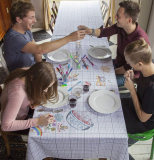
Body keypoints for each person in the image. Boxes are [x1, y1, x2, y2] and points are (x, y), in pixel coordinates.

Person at [78, 1, 149, 87]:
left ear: (129, 20)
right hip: (117, 63)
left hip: (129, 74)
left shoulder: (139, 41)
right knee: (93, 67)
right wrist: (90, 31)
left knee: (100, 82)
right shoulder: (121, 27)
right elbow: (104, 32)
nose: (115, 17)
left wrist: (110, 72)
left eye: (118, 16)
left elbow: (128, 67)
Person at [4, 0, 85, 72]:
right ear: (18, 20)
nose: (35, 20)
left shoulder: (25, 30)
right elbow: (40, 49)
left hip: (32, 68)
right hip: (22, 76)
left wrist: (41, 66)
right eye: (31, 17)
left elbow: (36, 51)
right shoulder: (14, 38)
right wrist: (69, 38)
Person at [1, 62, 58, 133]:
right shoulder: (18, 93)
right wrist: (38, 121)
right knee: (49, 131)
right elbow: (5, 126)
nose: (46, 91)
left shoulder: (29, 71)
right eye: (44, 87)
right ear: (32, 79)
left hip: (24, 109)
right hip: (17, 121)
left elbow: (28, 92)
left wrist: (31, 100)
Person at [122, 38, 154, 134]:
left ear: (140, 64)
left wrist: (132, 90)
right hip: (137, 103)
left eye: (130, 62)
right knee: (112, 103)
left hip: (144, 122)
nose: (128, 64)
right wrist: (133, 79)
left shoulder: (152, 88)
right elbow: (144, 84)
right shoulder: (149, 65)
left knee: (112, 122)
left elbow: (142, 118)